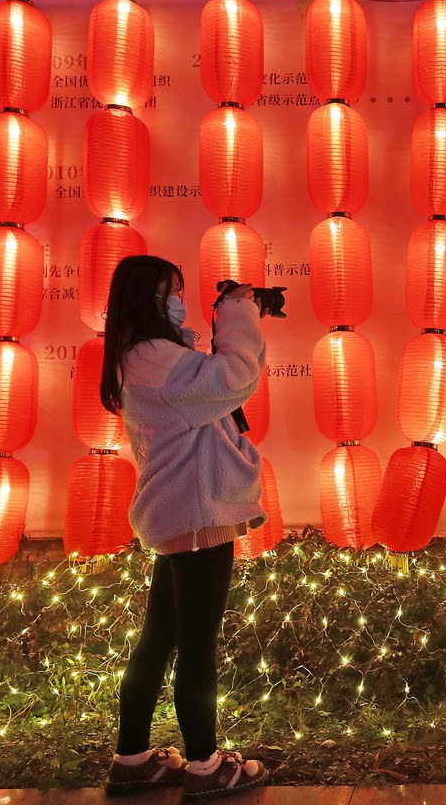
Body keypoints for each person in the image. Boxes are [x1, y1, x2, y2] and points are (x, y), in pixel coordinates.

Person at [99, 255, 270, 801]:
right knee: (198, 647)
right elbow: (234, 377)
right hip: (198, 515)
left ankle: (132, 759)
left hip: (180, 515)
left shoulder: (143, 354)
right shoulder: (153, 356)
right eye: (171, 291)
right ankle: (205, 766)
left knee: (160, 640)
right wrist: (240, 313)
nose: (180, 299)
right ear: (146, 298)